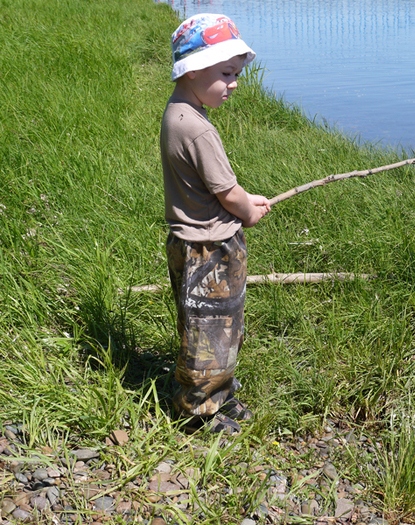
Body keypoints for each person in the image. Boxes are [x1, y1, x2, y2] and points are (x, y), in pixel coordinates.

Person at [160, 13, 271, 434]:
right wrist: (249, 211)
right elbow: (228, 194)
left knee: (210, 328)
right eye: (227, 73)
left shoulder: (178, 114)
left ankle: (219, 395)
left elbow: (218, 189)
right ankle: (200, 411)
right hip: (209, 249)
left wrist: (244, 198)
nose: (235, 83)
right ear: (194, 69)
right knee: (211, 334)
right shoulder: (199, 131)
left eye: (236, 73)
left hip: (191, 242)